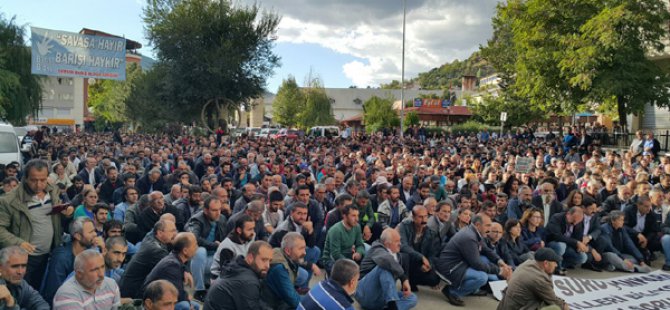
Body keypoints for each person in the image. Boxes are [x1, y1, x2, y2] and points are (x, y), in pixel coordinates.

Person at [0, 159, 74, 290]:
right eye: (34, 180)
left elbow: (56, 215)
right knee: (22, 292)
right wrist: (18, 243)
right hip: (24, 258)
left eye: (43, 180)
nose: (39, 185)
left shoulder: (53, 191)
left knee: (40, 288)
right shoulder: (10, 200)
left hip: (49, 254)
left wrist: (67, 212)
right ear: (25, 178)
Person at [436, 214, 513, 307]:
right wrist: (500, 271)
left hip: (460, 263)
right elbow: (477, 264)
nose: (489, 228)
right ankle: (452, 291)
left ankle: (470, 289)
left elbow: (486, 250)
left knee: (485, 259)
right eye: (487, 225)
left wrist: (500, 262)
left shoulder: (474, 232)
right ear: (477, 225)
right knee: (482, 277)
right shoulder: (469, 237)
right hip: (451, 268)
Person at [41, 217, 101, 304]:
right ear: (77, 236)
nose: (95, 234)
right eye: (91, 232)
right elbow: (53, 293)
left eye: (94, 231)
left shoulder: (91, 250)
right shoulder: (61, 258)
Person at [356, 228, 417, 310]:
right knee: (383, 267)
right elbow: (386, 260)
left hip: (381, 297)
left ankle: (388, 307)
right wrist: (404, 278)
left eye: (400, 240)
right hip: (365, 294)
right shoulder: (376, 248)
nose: (400, 244)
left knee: (412, 298)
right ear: (387, 243)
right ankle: (392, 306)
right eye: (397, 241)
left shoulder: (396, 255)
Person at [203, 240, 273, 310]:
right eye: (264, 260)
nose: (268, 266)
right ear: (250, 258)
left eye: (269, 261)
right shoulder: (248, 282)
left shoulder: (238, 267)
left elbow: (255, 302)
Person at [119, 219, 178, 299]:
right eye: (172, 231)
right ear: (160, 233)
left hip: (135, 287)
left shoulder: (151, 237)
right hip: (134, 294)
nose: (176, 234)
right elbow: (173, 268)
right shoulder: (156, 250)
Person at [142, 232, 200, 310]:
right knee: (185, 305)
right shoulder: (172, 266)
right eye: (194, 245)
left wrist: (186, 271)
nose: (197, 247)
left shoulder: (175, 258)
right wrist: (189, 302)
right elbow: (178, 294)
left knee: (196, 305)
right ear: (185, 251)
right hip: (154, 301)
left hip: (164, 297)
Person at [496, 248, 568, 310]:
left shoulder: (527, 264)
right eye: (554, 262)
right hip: (517, 307)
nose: (556, 265)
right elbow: (554, 301)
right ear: (546, 263)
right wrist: (565, 306)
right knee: (555, 308)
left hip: (506, 306)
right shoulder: (540, 279)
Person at [185, 196, 227, 299]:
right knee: (200, 251)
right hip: (194, 260)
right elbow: (193, 238)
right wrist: (214, 245)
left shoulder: (222, 218)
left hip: (212, 257)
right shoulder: (196, 220)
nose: (218, 213)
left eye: (219, 209)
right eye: (214, 210)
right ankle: (198, 290)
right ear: (206, 210)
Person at [53, 249, 121, 310]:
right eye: (94, 270)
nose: (101, 275)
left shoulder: (111, 284)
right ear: (79, 274)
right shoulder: (66, 295)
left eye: (102, 267)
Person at [264, 232, 315, 309]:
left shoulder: (287, 257)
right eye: (300, 249)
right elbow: (294, 301)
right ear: (288, 251)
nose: (304, 252)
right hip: (273, 305)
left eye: (304, 248)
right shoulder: (280, 269)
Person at [396, 206, 441, 291]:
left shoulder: (431, 233)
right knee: (404, 256)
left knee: (434, 279)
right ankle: (405, 281)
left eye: (425, 216)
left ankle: (412, 281)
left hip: (419, 264)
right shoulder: (404, 226)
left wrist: (428, 265)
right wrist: (421, 257)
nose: (424, 220)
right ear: (413, 217)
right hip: (407, 261)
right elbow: (403, 246)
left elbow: (432, 253)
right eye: (420, 217)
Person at [320, 205, 365, 273]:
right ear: (344, 216)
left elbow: (360, 244)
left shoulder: (357, 227)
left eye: (357, 215)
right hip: (332, 259)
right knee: (346, 274)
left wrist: (359, 253)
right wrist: (351, 265)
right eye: (353, 216)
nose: (357, 219)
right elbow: (336, 254)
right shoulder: (336, 230)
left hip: (349, 255)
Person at [546, 207, 588, 275]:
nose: (575, 224)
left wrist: (580, 247)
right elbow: (557, 236)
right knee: (561, 246)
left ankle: (561, 264)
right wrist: (576, 243)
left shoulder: (579, 223)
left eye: (577, 222)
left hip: (568, 246)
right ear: (568, 214)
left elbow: (578, 239)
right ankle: (557, 268)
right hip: (553, 243)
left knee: (583, 257)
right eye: (573, 220)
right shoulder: (556, 218)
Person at [211, 214, 256, 278]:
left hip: (243, 272)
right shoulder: (227, 246)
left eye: (253, 229)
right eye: (249, 229)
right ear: (239, 230)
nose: (253, 232)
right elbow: (226, 272)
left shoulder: (250, 237)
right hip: (221, 278)